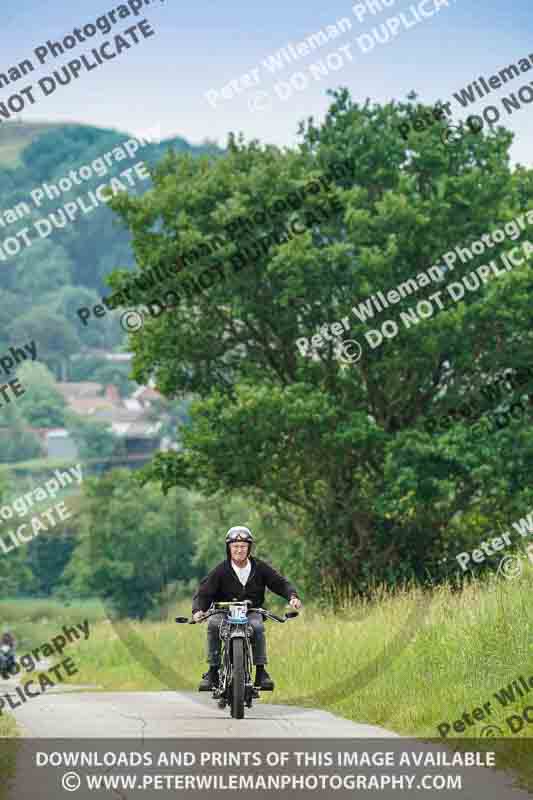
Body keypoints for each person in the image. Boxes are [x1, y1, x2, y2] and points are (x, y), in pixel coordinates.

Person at [192, 526, 302, 691]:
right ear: (229, 548)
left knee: (257, 627)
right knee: (214, 625)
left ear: (249, 548)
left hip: (251, 612)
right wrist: (198, 611)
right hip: (224, 612)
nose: (239, 550)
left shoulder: (260, 567)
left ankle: (261, 672)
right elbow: (204, 593)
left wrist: (292, 597)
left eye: (243, 546)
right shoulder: (221, 570)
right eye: (235, 546)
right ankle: (213, 672)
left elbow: (280, 583)